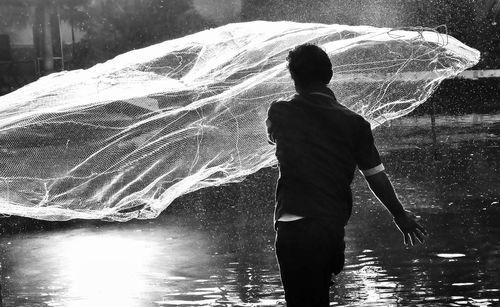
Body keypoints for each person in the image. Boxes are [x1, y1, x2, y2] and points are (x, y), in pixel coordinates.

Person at [266, 44, 427, 307]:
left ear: (294, 80)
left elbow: (272, 137)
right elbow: (375, 175)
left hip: (291, 225)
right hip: (328, 227)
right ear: (329, 75)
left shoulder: (280, 112)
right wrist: (399, 214)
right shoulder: (354, 123)